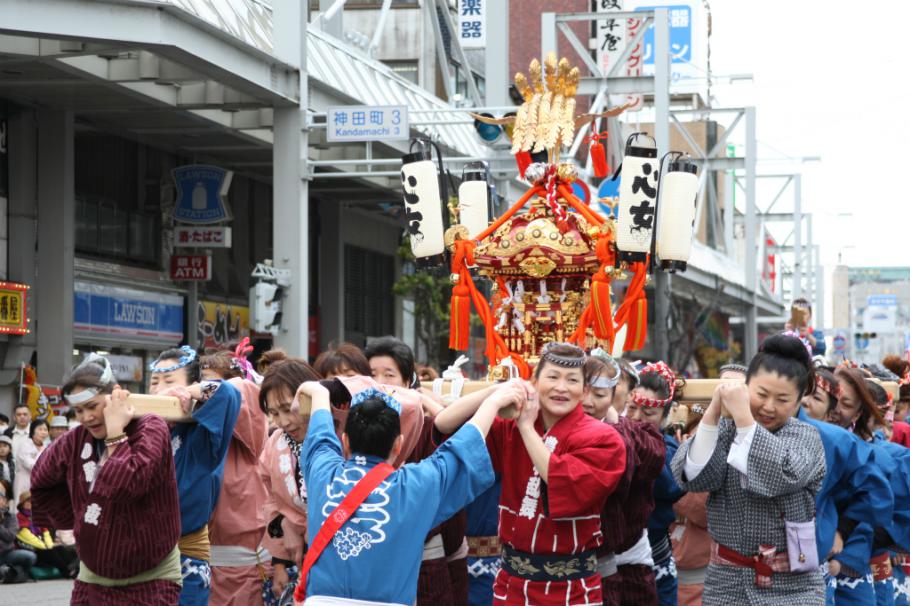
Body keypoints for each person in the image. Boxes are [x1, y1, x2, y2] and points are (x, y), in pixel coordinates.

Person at [435, 342, 628, 604]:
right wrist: (496, 391)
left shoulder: (604, 438)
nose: (561, 387)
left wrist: (526, 427)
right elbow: (444, 423)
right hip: (510, 583)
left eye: (572, 380)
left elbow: (562, 481)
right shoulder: (510, 426)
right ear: (535, 382)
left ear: (584, 391)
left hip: (572, 588)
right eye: (552, 377)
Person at [294, 376, 502, 605]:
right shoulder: (414, 485)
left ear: (344, 441)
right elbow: (461, 447)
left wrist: (317, 393)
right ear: (398, 444)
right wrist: (494, 401)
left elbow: (320, 435)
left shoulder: (323, 473)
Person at [671, 334, 827, 605]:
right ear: (746, 387)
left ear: (800, 400)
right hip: (726, 581)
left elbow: (782, 474)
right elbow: (692, 476)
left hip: (794, 583)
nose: (768, 407)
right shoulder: (727, 429)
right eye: (761, 394)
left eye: (782, 399)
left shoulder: (806, 436)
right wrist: (712, 413)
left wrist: (744, 418)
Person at [31, 354, 182, 603]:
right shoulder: (74, 439)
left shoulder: (151, 427)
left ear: (115, 395)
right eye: (79, 410)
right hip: (93, 577)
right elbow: (40, 480)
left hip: (153, 578)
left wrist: (115, 433)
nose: (86, 417)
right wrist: (79, 518)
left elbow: (128, 485)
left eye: (92, 406)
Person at [364, 336, 463, 604]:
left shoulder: (427, 426)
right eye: (372, 375)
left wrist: (424, 401)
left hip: (424, 554)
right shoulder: (356, 428)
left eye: (389, 374)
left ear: (408, 382)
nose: (380, 383)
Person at [148, 346, 242, 606]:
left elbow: (228, 393)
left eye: (169, 381)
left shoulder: (198, 435)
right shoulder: (141, 430)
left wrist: (189, 393)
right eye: (154, 382)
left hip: (184, 558)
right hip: (140, 557)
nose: (159, 390)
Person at [584, 350, 665, 605]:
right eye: (586, 387)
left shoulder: (638, 433)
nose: (589, 401)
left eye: (601, 392)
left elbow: (655, 463)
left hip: (628, 556)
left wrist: (613, 424)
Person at [204, 348, 272, 606]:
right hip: (203, 567)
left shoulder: (251, 433)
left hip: (248, 567)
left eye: (212, 383)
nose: (205, 392)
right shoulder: (199, 435)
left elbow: (241, 390)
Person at [258, 358, 323, 600]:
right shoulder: (275, 443)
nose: (283, 422)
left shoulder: (337, 438)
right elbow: (271, 501)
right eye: (274, 413)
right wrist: (278, 563)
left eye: (288, 409)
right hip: (294, 559)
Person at [627, 362, 686, 606]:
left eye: (648, 414)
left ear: (665, 416)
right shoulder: (609, 437)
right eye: (631, 408)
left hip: (655, 553)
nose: (637, 418)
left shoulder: (669, 448)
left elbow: (671, 487)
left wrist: (639, 443)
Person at [15, 490, 78, 578]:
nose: (31, 503)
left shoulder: (36, 515)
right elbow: (27, 537)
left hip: (42, 546)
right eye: (28, 501)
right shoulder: (19, 518)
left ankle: (74, 569)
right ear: (22, 504)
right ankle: (67, 572)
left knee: (60, 549)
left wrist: (49, 546)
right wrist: (45, 547)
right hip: (32, 549)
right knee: (50, 552)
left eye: (33, 501)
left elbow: (45, 532)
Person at [0, 479, 35, 583]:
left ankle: (13, 572)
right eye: (28, 501)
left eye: (1, 497)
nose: (30, 504)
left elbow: (10, 536)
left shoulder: (11, 517)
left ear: (5, 501)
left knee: (30, 556)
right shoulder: (21, 516)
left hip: (6, 554)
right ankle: (12, 572)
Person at [14, 420, 48, 504]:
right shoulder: (24, 445)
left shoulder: (47, 447)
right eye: (40, 429)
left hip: (39, 483)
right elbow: (31, 465)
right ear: (32, 430)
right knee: (21, 509)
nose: (43, 432)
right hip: (24, 481)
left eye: (45, 430)